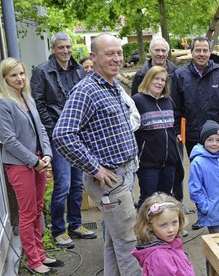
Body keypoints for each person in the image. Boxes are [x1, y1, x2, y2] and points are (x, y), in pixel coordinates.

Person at [52, 33, 142, 275]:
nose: (117, 58)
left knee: (115, 240)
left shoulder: (112, 86)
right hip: (109, 179)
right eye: (109, 53)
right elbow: (62, 135)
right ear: (93, 57)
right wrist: (95, 167)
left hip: (124, 174)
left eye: (119, 53)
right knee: (129, 243)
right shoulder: (86, 91)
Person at [30, 32, 96, 249]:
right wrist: (55, 129)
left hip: (77, 136)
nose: (66, 51)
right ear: (53, 49)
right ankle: (59, 229)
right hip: (58, 137)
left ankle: (76, 225)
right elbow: (38, 104)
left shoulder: (78, 69)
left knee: (78, 184)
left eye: (68, 47)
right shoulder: (42, 71)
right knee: (63, 184)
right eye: (61, 48)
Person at [0, 58, 64, 274]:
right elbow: (9, 140)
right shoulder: (3, 103)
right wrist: (34, 161)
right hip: (20, 165)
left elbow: (42, 130)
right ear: (4, 79)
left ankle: (41, 253)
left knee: (37, 210)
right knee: (27, 213)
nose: (19, 78)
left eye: (21, 73)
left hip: (38, 161)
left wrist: (46, 153)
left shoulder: (27, 98)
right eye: (13, 75)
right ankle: (34, 261)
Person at [171, 36, 219, 155]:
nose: (201, 54)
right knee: (198, 169)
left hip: (216, 135)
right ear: (191, 52)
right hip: (192, 134)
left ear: (210, 52)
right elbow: (175, 107)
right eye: (198, 50)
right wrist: (177, 131)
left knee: (217, 170)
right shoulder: (180, 76)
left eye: (205, 50)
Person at [132, 66, 180, 207]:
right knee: (148, 200)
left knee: (165, 199)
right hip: (148, 163)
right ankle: (144, 228)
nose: (159, 83)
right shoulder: (137, 101)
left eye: (163, 80)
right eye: (156, 78)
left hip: (169, 162)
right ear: (148, 79)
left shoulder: (168, 101)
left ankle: (162, 228)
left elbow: (172, 128)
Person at [188, 120, 219, 234]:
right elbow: (195, 189)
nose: (214, 143)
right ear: (203, 140)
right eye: (210, 140)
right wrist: (206, 208)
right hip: (212, 213)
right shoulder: (198, 162)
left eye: (218, 140)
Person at [132, 192, 194, 276]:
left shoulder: (170, 243)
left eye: (174, 222)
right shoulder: (159, 257)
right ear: (149, 226)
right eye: (163, 225)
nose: (171, 229)